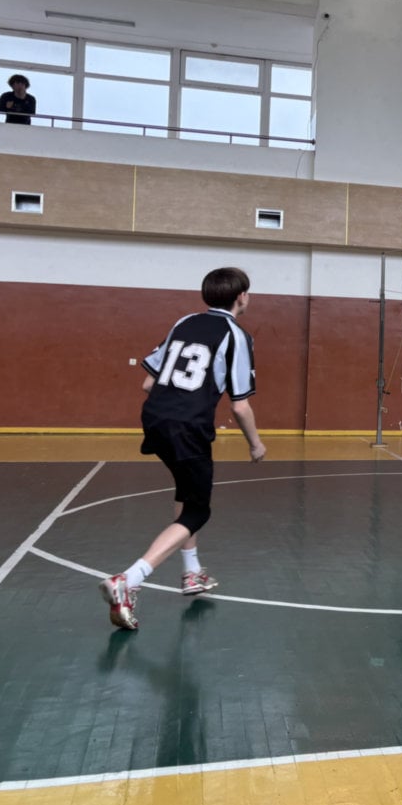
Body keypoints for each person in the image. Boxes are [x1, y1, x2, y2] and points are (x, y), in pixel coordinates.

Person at [98, 267, 266, 631]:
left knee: (185, 491)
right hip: (188, 427)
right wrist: (256, 444)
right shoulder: (237, 336)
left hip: (155, 417)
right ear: (242, 297)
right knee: (198, 511)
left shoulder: (185, 322)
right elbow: (240, 405)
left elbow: (148, 382)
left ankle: (192, 573)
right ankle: (129, 579)